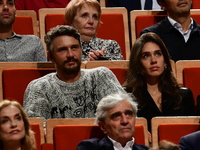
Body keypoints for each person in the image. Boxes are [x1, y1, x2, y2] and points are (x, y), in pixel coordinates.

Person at [23, 25, 125, 122]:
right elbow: (37, 130)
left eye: (74, 47)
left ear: (81, 50)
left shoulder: (102, 76)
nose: (70, 54)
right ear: (51, 57)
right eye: (63, 50)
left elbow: (125, 115)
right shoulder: (39, 87)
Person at [124, 32, 195, 133]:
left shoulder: (183, 96)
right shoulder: (127, 97)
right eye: (146, 56)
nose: (153, 60)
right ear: (137, 64)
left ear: (165, 61)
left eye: (158, 54)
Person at [76, 92, 149, 150]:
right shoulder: (89, 147)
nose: (125, 121)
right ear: (103, 126)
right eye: (116, 116)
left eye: (128, 114)